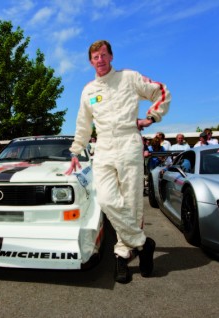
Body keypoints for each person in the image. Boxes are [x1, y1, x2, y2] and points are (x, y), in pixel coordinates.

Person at [65, 40, 171, 284]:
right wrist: (75, 151)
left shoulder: (130, 77)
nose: (100, 60)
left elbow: (161, 91)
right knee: (105, 198)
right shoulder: (88, 90)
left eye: (103, 55)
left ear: (111, 56)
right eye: (95, 57)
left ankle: (121, 256)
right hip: (102, 147)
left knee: (131, 202)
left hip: (128, 143)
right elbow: (83, 123)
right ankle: (143, 244)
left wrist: (152, 117)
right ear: (90, 61)